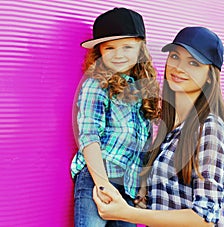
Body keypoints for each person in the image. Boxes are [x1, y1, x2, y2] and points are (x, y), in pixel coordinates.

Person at [92, 26, 224, 227]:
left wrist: (128, 213)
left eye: (193, 63)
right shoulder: (171, 129)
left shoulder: (209, 128)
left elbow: (205, 219)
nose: (179, 68)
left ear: (209, 76)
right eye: (175, 56)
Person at [70, 7, 160, 227]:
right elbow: (89, 137)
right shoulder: (96, 84)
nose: (118, 54)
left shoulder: (142, 90)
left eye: (127, 46)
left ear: (141, 49)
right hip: (98, 178)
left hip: (128, 187)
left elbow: (144, 145)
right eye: (110, 48)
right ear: (99, 52)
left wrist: (142, 188)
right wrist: (102, 185)